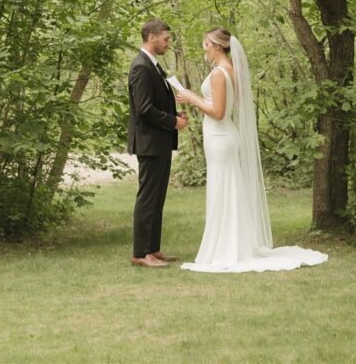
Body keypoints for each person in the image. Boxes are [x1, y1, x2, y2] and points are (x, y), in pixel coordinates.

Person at [177, 27, 328, 273]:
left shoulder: (219, 73)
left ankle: (225, 248)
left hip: (220, 136)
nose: (204, 49)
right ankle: (230, 244)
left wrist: (191, 98)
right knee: (227, 189)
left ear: (216, 46)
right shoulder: (230, 71)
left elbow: (218, 112)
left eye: (205, 44)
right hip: (224, 136)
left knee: (222, 189)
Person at [127, 17, 188, 268]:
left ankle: (153, 249)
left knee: (157, 197)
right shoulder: (141, 66)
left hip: (159, 142)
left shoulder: (154, 65)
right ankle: (140, 253)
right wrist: (172, 122)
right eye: (166, 38)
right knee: (148, 198)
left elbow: (157, 102)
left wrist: (176, 115)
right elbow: (143, 109)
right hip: (149, 143)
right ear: (152, 38)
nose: (168, 42)